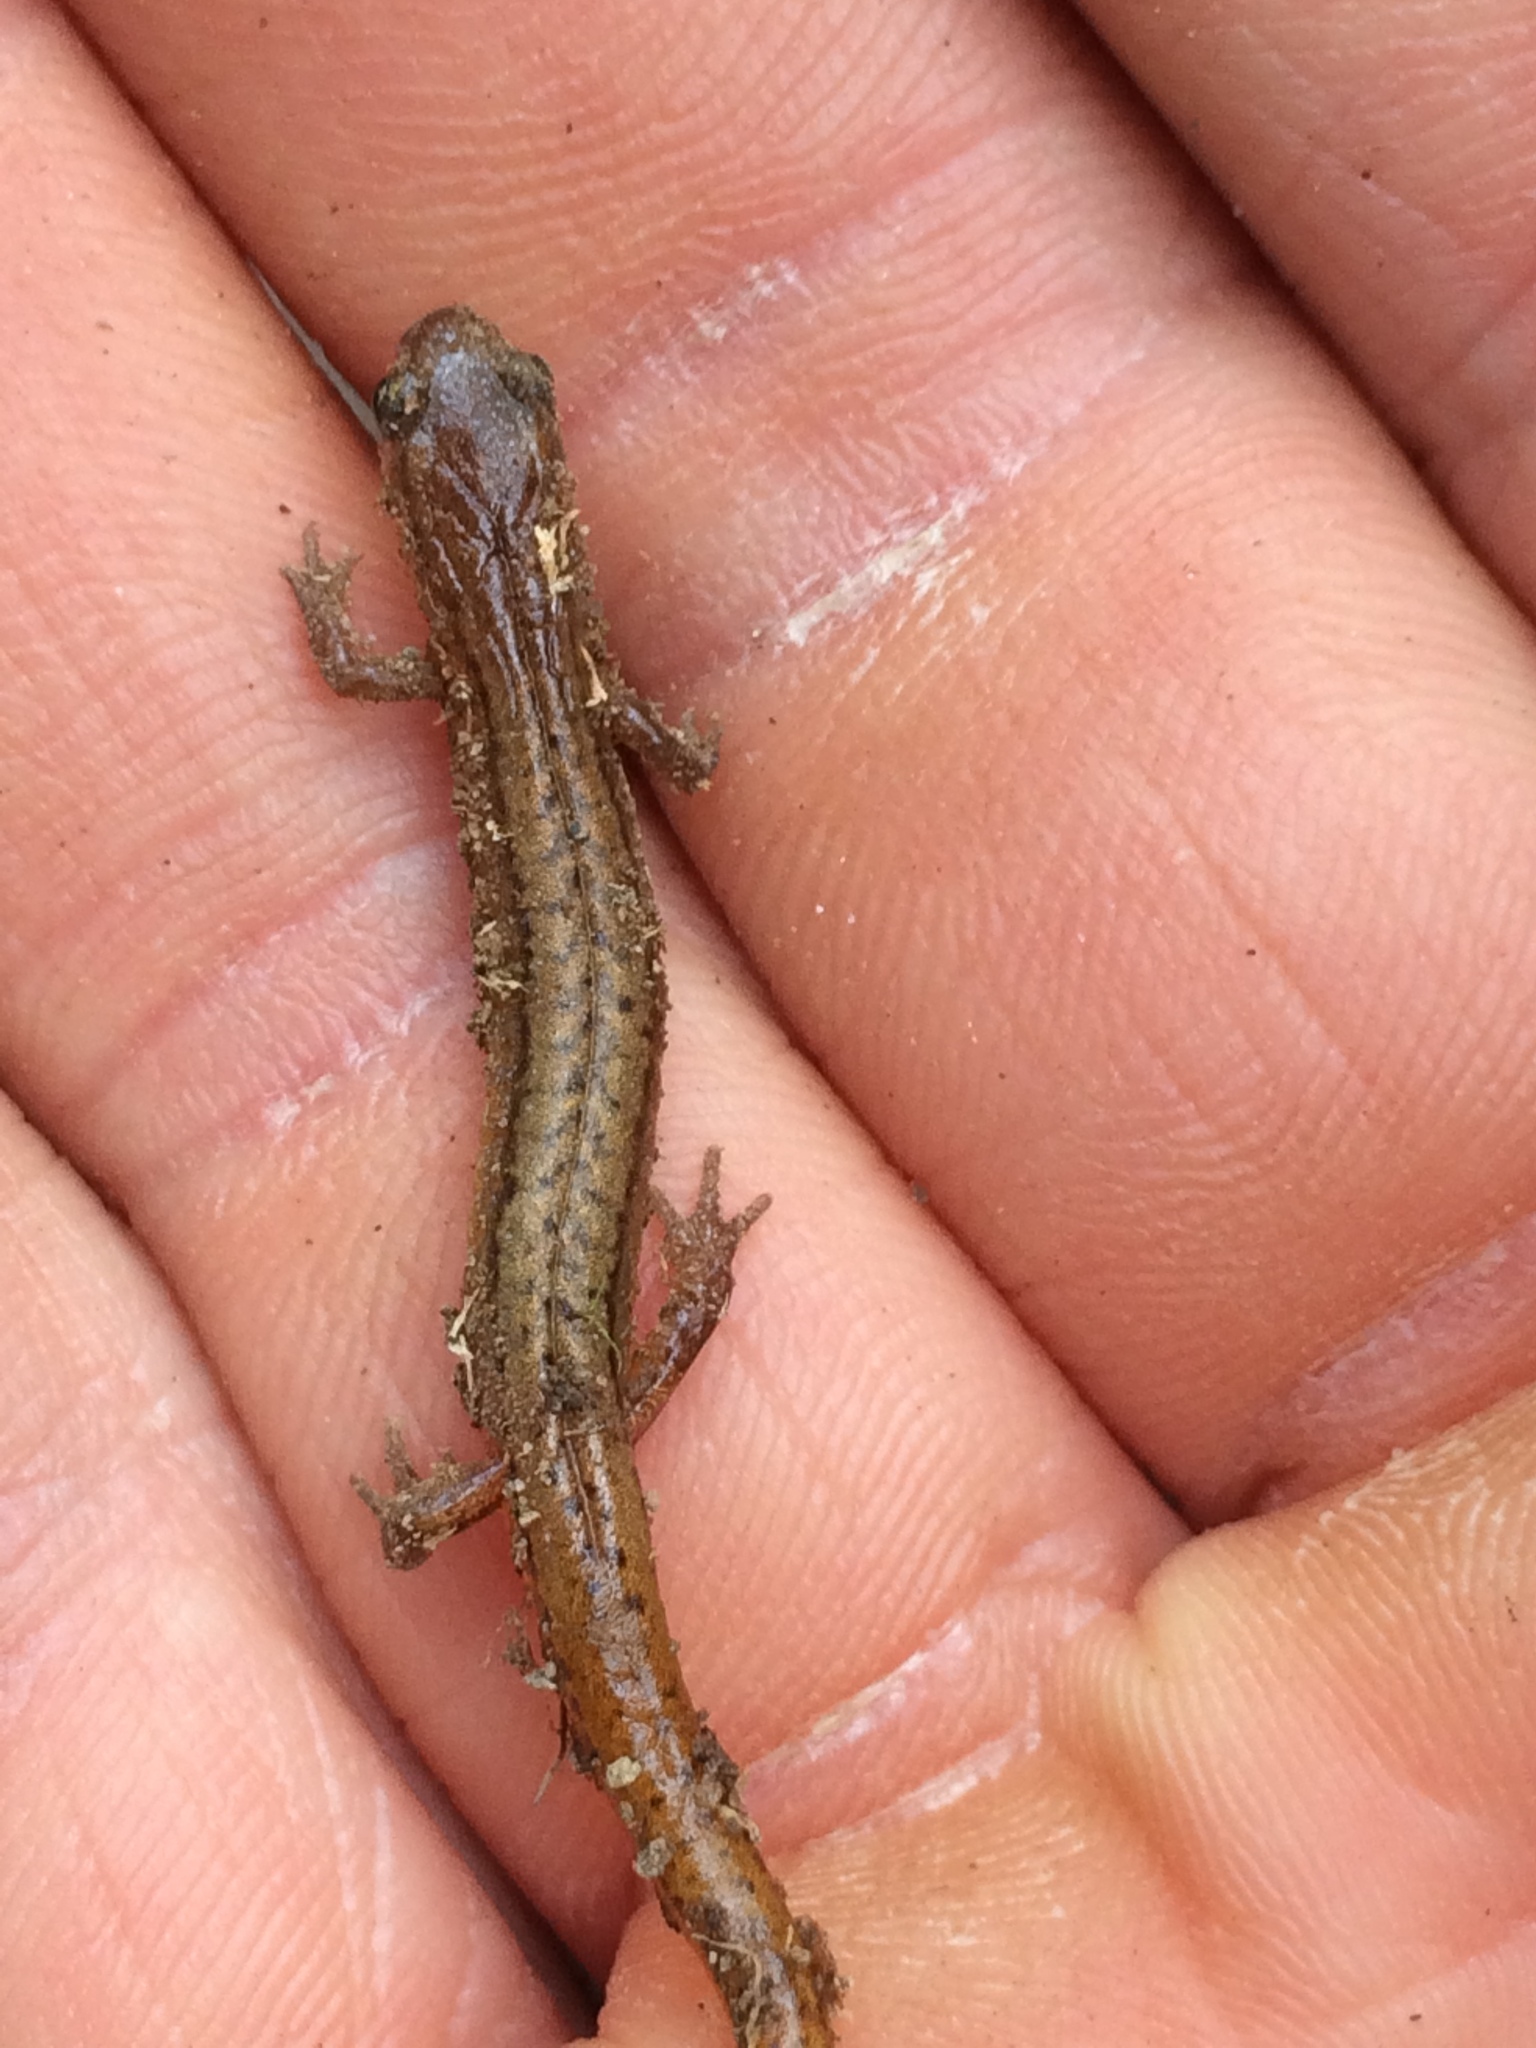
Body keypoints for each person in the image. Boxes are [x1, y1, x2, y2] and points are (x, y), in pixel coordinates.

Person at [4, 0, 1535, 2038]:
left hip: (566, 1237)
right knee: (555, 1419)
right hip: (573, 1172)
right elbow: (681, 745)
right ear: (533, 516)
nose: (475, 408)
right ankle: (715, 1890)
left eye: (476, 416)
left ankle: (717, 1883)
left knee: (555, 1415)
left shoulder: (455, 665)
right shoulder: (563, 666)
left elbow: (390, 677)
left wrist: (321, 613)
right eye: (463, 420)